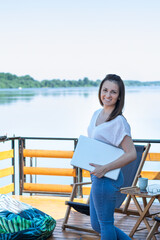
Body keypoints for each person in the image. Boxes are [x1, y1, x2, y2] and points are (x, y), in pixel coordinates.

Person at [87, 74, 137, 240]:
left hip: (107, 178)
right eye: (105, 90)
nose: (108, 95)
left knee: (105, 224)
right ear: (100, 91)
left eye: (113, 92)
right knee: (97, 224)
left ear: (119, 96)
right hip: (96, 176)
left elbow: (131, 154)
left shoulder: (119, 122)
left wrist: (105, 168)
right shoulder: (96, 114)